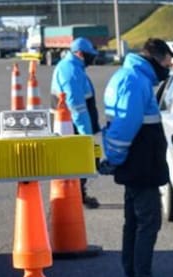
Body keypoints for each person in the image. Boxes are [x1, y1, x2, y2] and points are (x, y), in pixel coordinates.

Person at [100, 38, 173, 277]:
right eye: (167, 62)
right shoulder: (135, 81)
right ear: (155, 58)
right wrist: (115, 159)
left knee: (135, 224)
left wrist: (116, 160)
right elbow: (124, 128)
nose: (168, 68)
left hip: (138, 168)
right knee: (147, 225)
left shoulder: (132, 77)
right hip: (140, 169)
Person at [50, 37, 102, 209]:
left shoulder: (74, 67)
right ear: (80, 53)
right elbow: (77, 106)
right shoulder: (71, 70)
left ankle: (79, 193)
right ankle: (75, 195)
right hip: (72, 125)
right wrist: (86, 136)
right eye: (89, 55)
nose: (92, 59)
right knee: (79, 160)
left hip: (73, 124)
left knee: (80, 161)